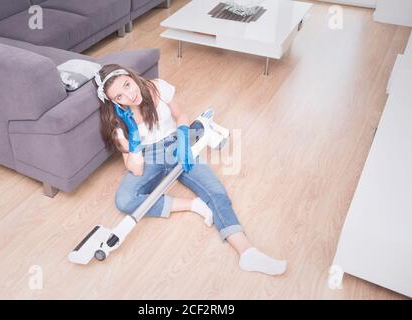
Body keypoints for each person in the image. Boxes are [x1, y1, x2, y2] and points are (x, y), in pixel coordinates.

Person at [93, 64, 287, 275]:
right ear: (114, 102)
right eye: (120, 96)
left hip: (178, 144)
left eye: (128, 85)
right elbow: (136, 169)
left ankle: (247, 252)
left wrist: (184, 138)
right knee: (124, 200)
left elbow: (181, 114)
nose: (130, 95)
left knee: (215, 190)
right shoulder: (117, 123)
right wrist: (133, 135)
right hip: (148, 156)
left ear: (131, 76)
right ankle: (192, 205)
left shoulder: (156, 88)